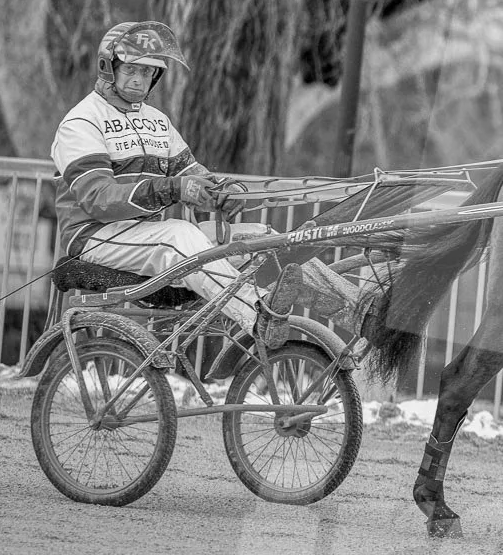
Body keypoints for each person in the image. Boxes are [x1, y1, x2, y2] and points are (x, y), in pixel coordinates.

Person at [50, 20, 358, 355]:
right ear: (107, 67)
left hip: (148, 235)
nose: (140, 80)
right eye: (131, 70)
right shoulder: (80, 122)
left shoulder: (157, 121)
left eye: (148, 71)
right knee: (181, 235)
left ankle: (358, 309)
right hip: (95, 237)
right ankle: (258, 316)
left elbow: (193, 174)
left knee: (263, 238)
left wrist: (223, 192)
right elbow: (99, 199)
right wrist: (175, 188)